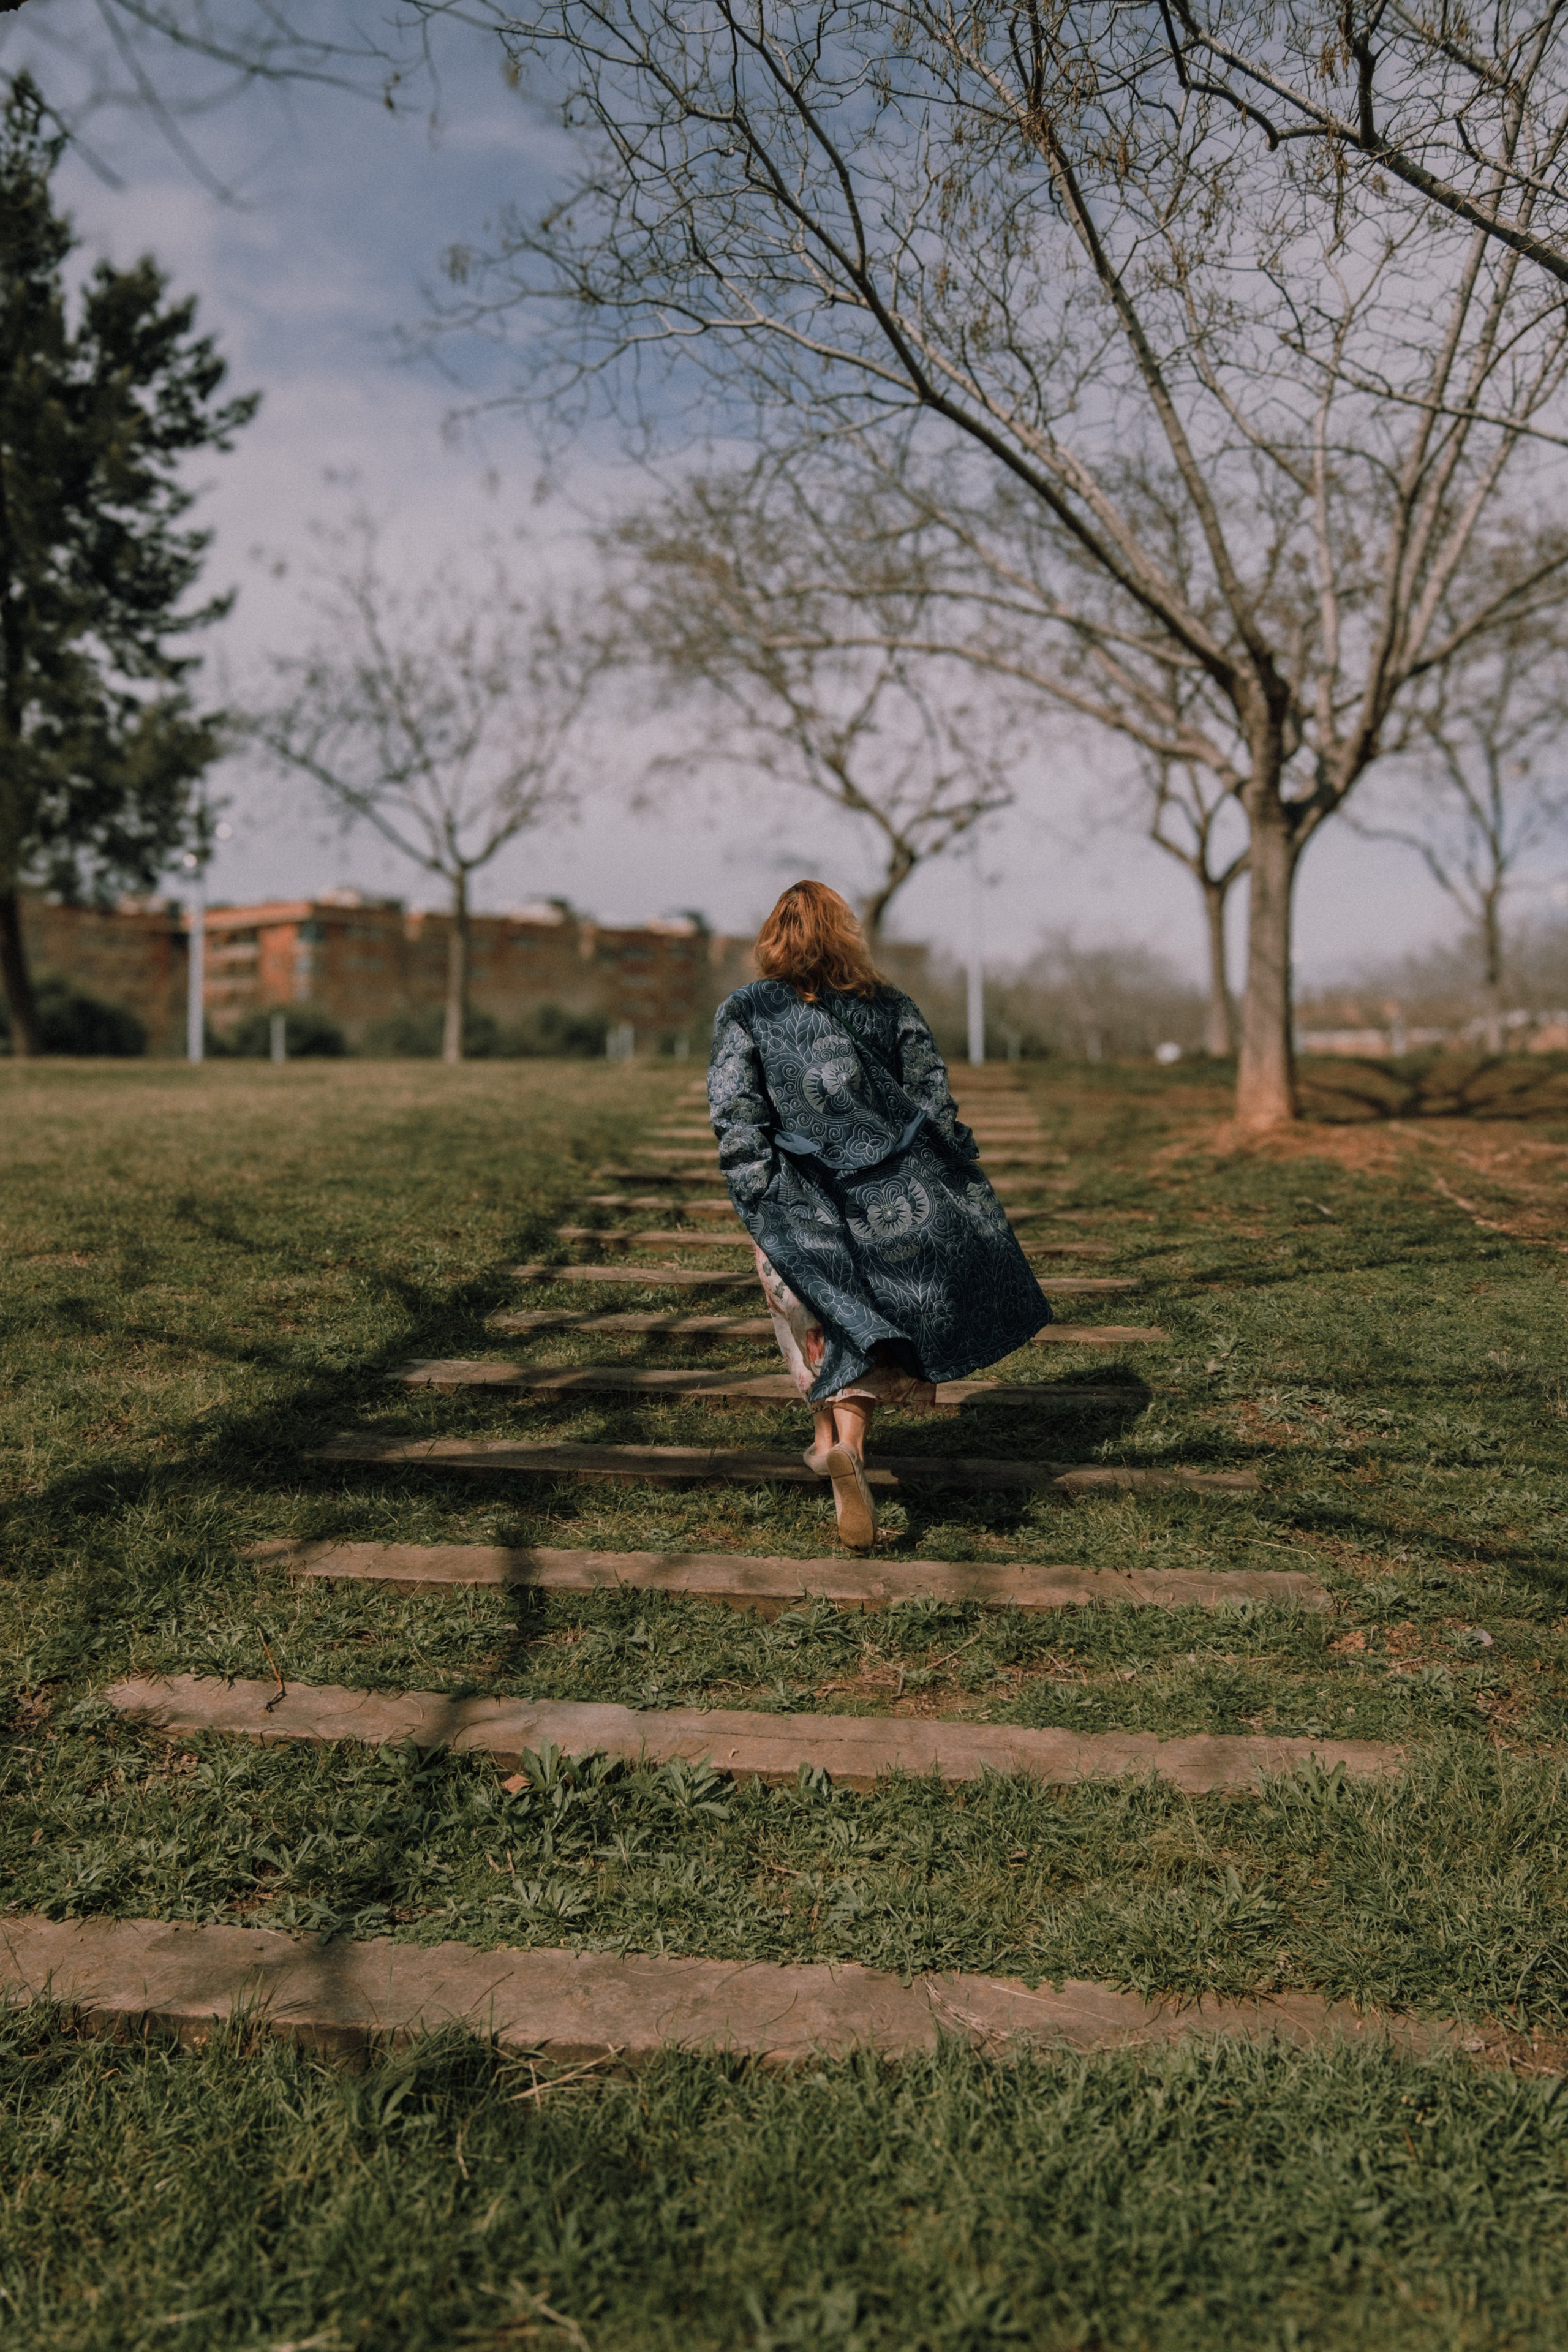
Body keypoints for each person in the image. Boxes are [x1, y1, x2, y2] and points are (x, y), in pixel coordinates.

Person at [707, 879, 1052, 1550]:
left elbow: (733, 1108)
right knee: (862, 1314)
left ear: (773, 937)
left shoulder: (747, 1009)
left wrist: (753, 1184)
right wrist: (956, 1161)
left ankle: (839, 1448)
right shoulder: (888, 1004)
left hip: (797, 1192)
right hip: (893, 1191)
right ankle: (837, 1446)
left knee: (817, 1314)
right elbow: (932, 1093)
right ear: (845, 933)